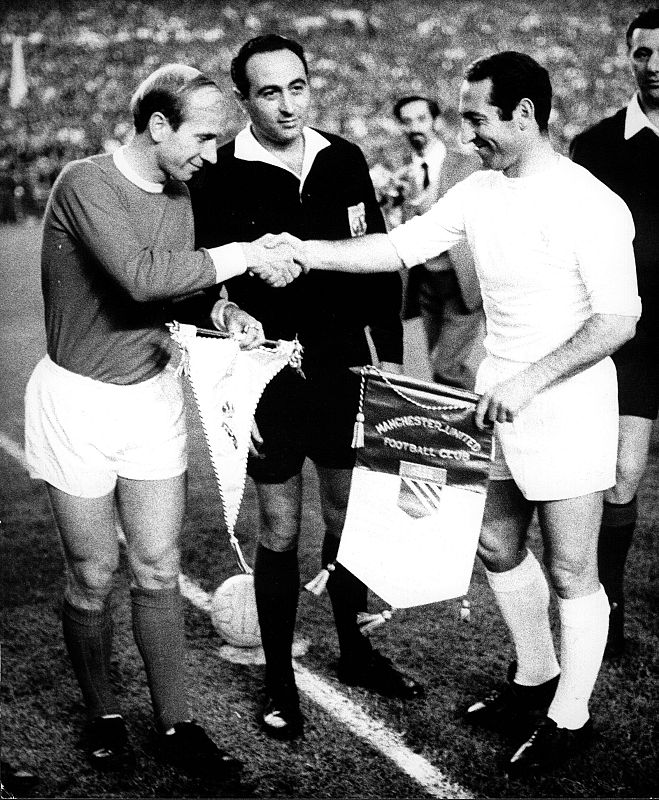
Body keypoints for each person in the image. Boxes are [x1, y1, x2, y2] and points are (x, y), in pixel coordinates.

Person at [278, 51, 641, 773]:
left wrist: (531, 378)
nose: (467, 132)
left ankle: (571, 718)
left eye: (478, 118)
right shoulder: (478, 191)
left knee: (573, 570)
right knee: (496, 546)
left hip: (565, 403)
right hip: (493, 397)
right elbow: (399, 247)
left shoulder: (589, 200)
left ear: (525, 116)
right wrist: (305, 251)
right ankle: (534, 677)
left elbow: (618, 319)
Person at [23, 64, 301, 781]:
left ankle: (176, 723)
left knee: (157, 569)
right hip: (77, 401)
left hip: (151, 395)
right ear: (156, 126)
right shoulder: (84, 184)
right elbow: (141, 276)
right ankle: (102, 713)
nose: (209, 156)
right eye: (202, 139)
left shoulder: (181, 194)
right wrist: (247, 256)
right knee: (92, 574)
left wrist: (222, 310)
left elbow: (173, 289)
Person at [189, 34, 424, 741]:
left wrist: (385, 360)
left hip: (347, 367)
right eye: (268, 92)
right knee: (282, 528)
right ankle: (279, 682)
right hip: (269, 378)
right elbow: (200, 278)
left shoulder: (343, 158)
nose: (287, 104)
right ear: (243, 99)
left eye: (296, 87)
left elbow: (379, 262)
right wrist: (230, 323)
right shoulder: (219, 173)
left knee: (349, 516)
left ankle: (355, 650)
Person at [570, 7, 659, 659]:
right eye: (642, 53)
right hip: (631, 334)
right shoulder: (597, 146)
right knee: (620, 476)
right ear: (627, 58)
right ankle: (611, 613)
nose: (652, 66)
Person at [387, 95, 485, 389]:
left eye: (421, 119)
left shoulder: (467, 165)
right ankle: (454, 428)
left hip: (462, 281)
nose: (415, 127)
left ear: (436, 122)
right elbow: (397, 231)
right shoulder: (399, 173)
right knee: (433, 365)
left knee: (447, 366)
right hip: (425, 283)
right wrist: (392, 205)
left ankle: (482, 420)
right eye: (407, 121)